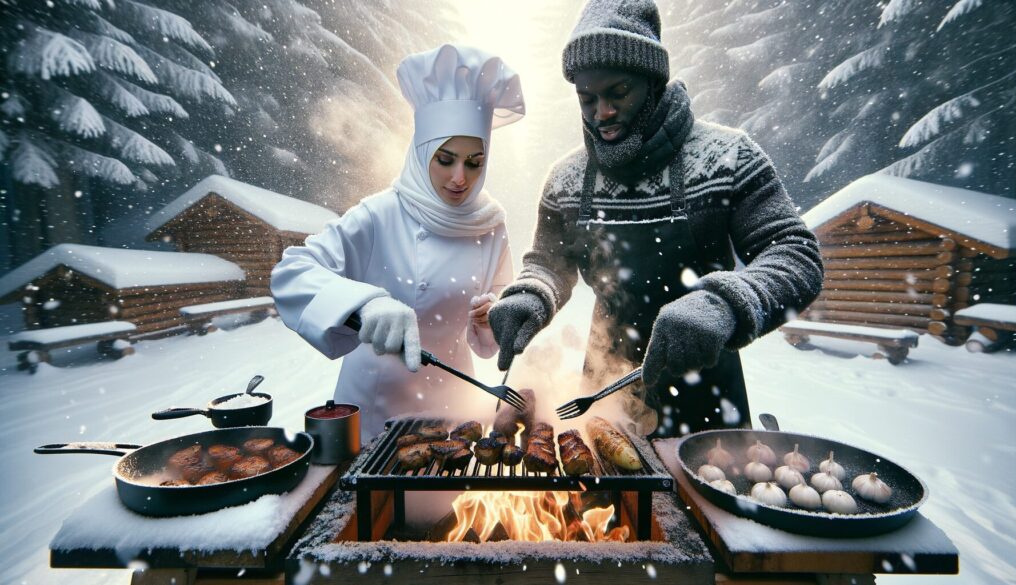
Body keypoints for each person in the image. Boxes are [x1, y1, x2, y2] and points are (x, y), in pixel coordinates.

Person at [488, 0, 824, 437]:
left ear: (653, 82)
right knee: (607, 502)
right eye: (587, 99)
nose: (601, 114)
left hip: (708, 400)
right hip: (603, 390)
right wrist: (531, 295)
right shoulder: (566, 179)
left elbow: (796, 255)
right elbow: (548, 264)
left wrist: (721, 303)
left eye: (618, 93)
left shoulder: (729, 157)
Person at [271, 44, 525, 440]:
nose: (461, 177)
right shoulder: (379, 215)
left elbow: (496, 309)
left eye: (474, 162)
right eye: (446, 159)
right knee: (379, 502)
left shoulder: (490, 224)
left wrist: (490, 317)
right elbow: (291, 272)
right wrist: (365, 304)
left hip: (454, 403)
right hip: (376, 406)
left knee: (448, 498)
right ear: (422, 151)